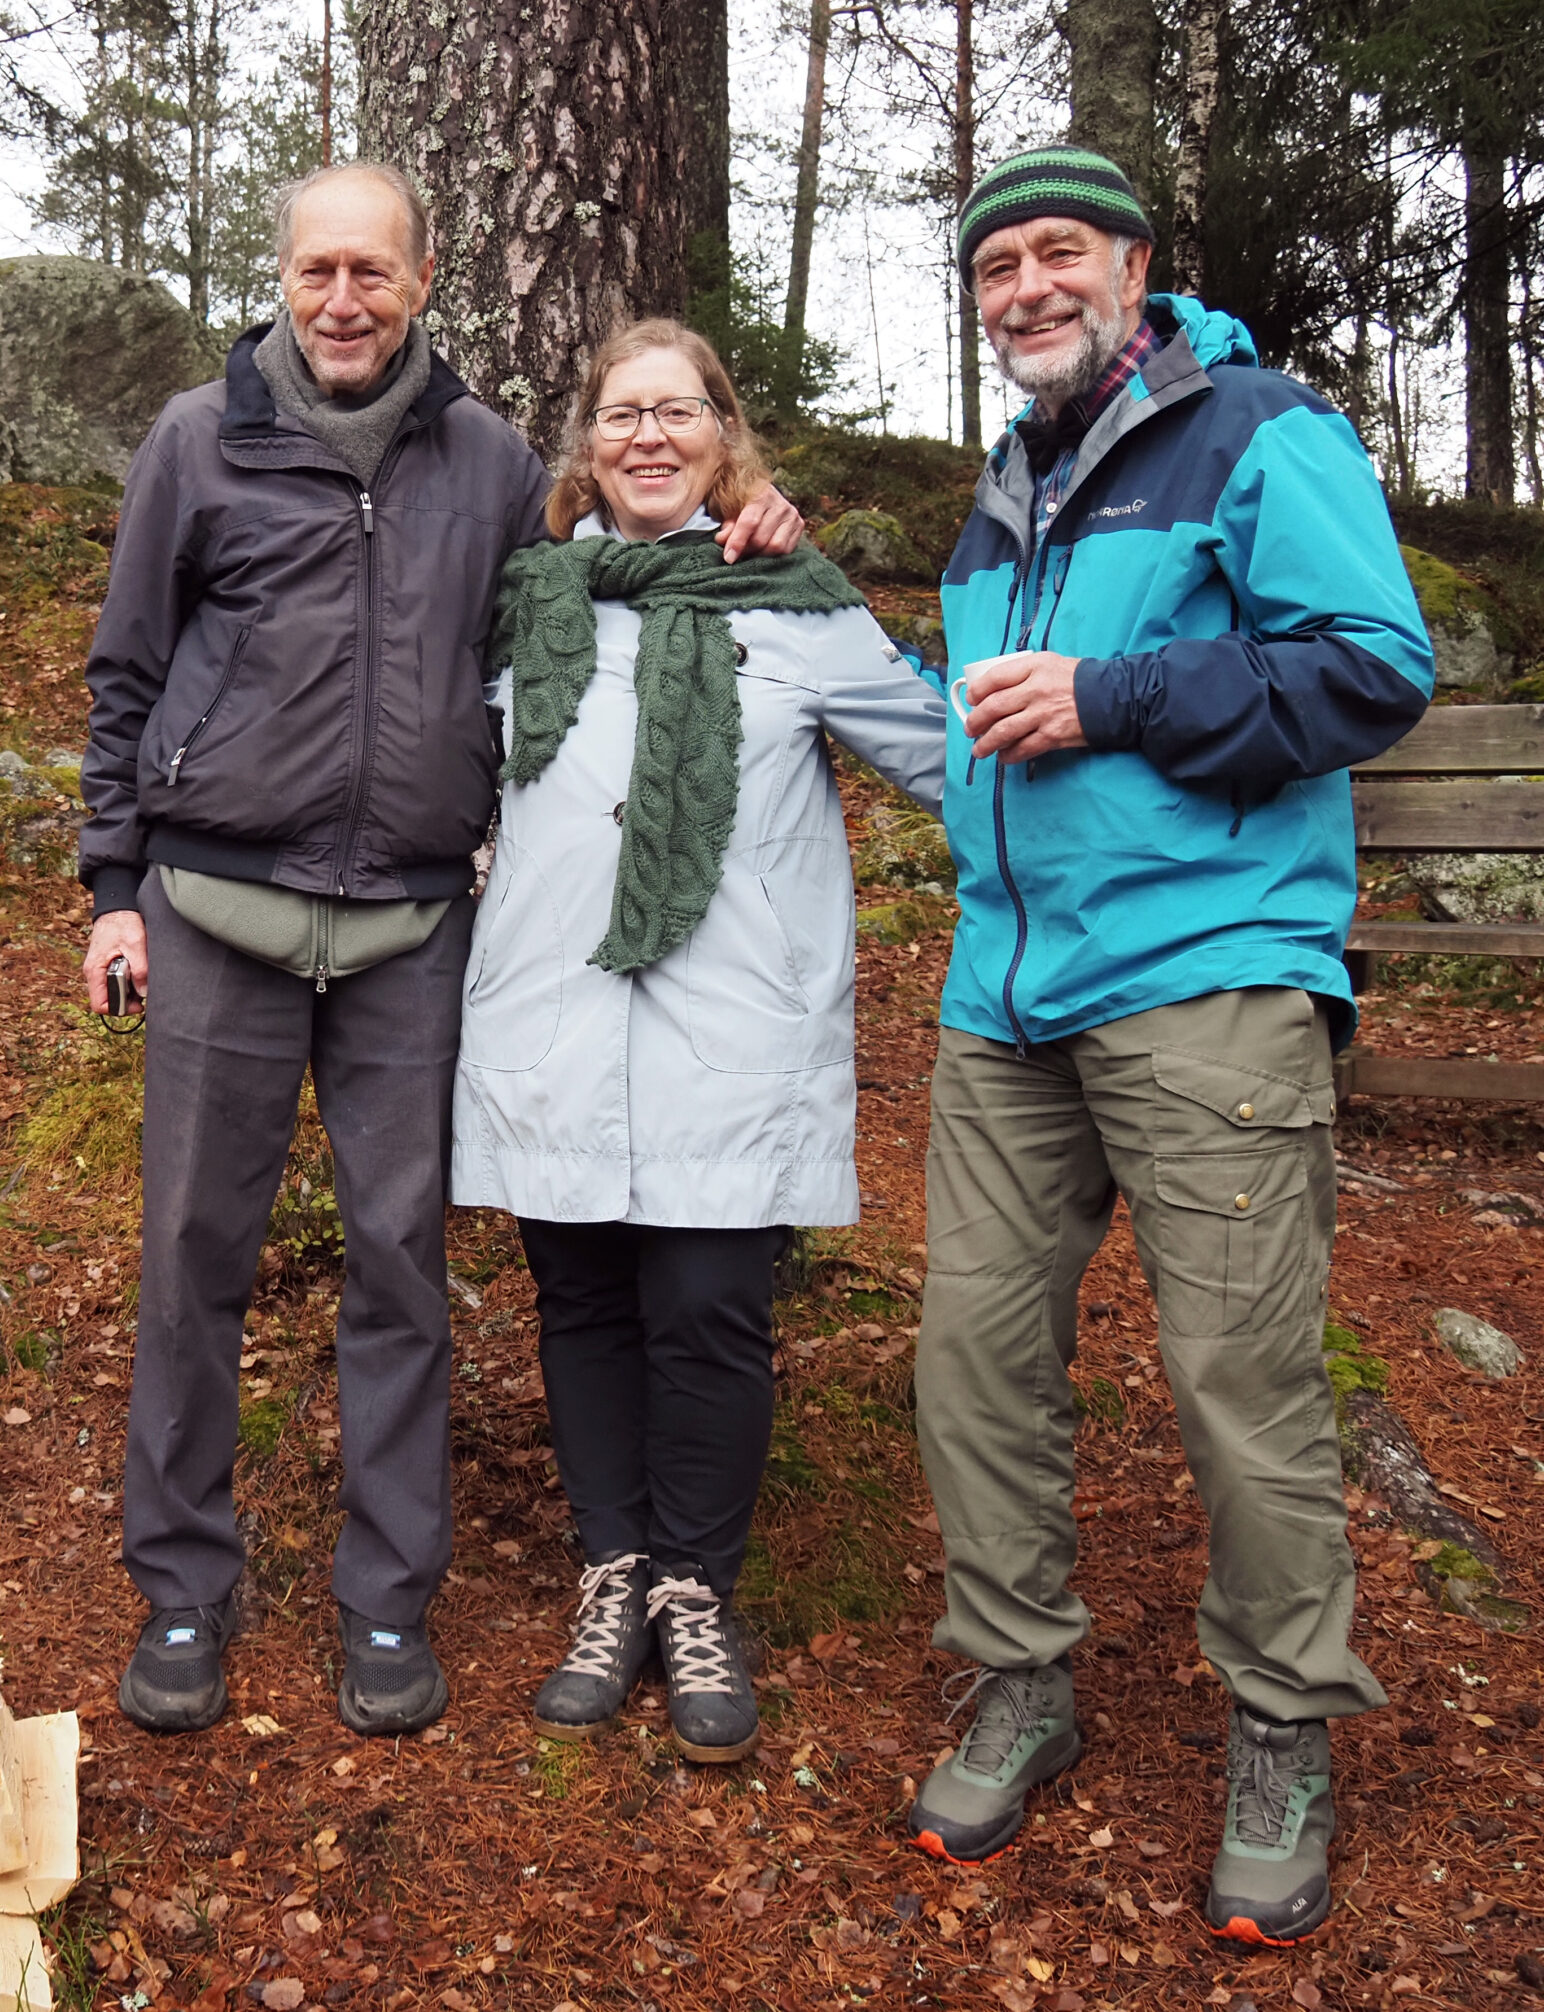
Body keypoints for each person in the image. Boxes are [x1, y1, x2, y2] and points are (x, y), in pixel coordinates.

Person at [77, 160, 807, 1737]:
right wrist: (110, 885)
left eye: (374, 273)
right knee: (195, 1263)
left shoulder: (486, 465)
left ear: (426, 278)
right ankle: (184, 1591)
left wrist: (754, 518)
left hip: (416, 927)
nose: (344, 300)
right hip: (213, 911)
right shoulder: (196, 444)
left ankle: (388, 1601)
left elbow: (619, 569)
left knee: (404, 1272)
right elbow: (126, 671)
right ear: (281, 275)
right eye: (317, 270)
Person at [902, 148, 1433, 1946]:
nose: (1028, 288)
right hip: (1004, 997)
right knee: (972, 1362)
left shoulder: (1259, 428)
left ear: (1135, 266)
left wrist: (1113, 697)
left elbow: (1371, 664)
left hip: (1205, 978)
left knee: (1239, 1384)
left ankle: (1285, 1725)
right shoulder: (1001, 494)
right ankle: (1023, 1679)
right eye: (999, 268)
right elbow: (964, 725)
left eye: (1062, 254)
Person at [454, 318, 946, 1761]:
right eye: (621, 415)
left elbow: (944, 762)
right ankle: (613, 1573)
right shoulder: (527, 603)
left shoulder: (800, 606)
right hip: (553, 1013)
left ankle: (694, 1589)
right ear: (586, 443)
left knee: (713, 1313)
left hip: (733, 1028)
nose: (648, 437)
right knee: (585, 1305)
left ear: (726, 439)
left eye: (678, 412)